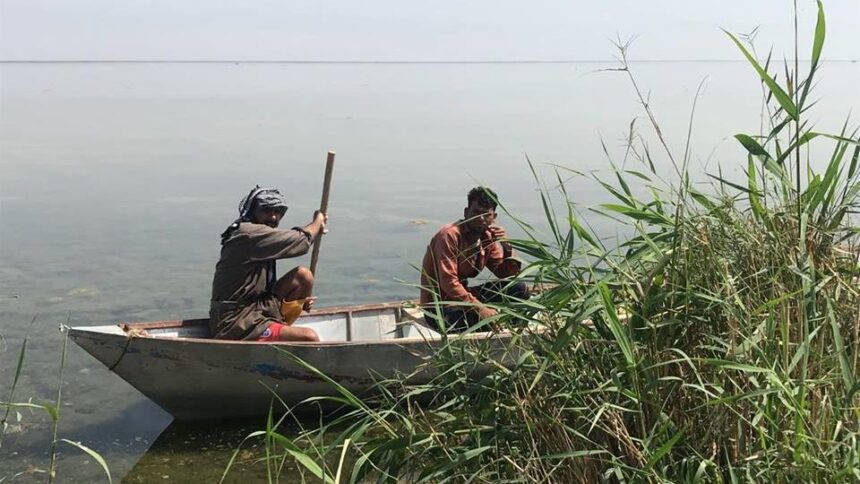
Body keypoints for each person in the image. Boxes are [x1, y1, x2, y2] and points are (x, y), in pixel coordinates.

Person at [210, 186, 327, 342]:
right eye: (266, 210)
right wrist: (318, 221)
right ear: (253, 212)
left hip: (259, 308)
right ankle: (273, 333)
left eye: (278, 212)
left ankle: (278, 328)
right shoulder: (248, 234)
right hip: (236, 321)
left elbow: (302, 239)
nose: (273, 217)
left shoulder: (259, 234)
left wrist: (299, 303)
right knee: (309, 337)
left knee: (303, 276)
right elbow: (301, 241)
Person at [419, 186, 529, 332]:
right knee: (475, 321)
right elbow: (449, 282)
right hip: (440, 306)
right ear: (466, 212)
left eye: (486, 214)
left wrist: (507, 247)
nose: (480, 219)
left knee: (519, 289)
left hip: (464, 300)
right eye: (476, 213)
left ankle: (510, 332)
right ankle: (495, 328)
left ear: (494, 217)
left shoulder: (487, 237)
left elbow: (506, 275)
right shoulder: (448, 236)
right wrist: (480, 309)